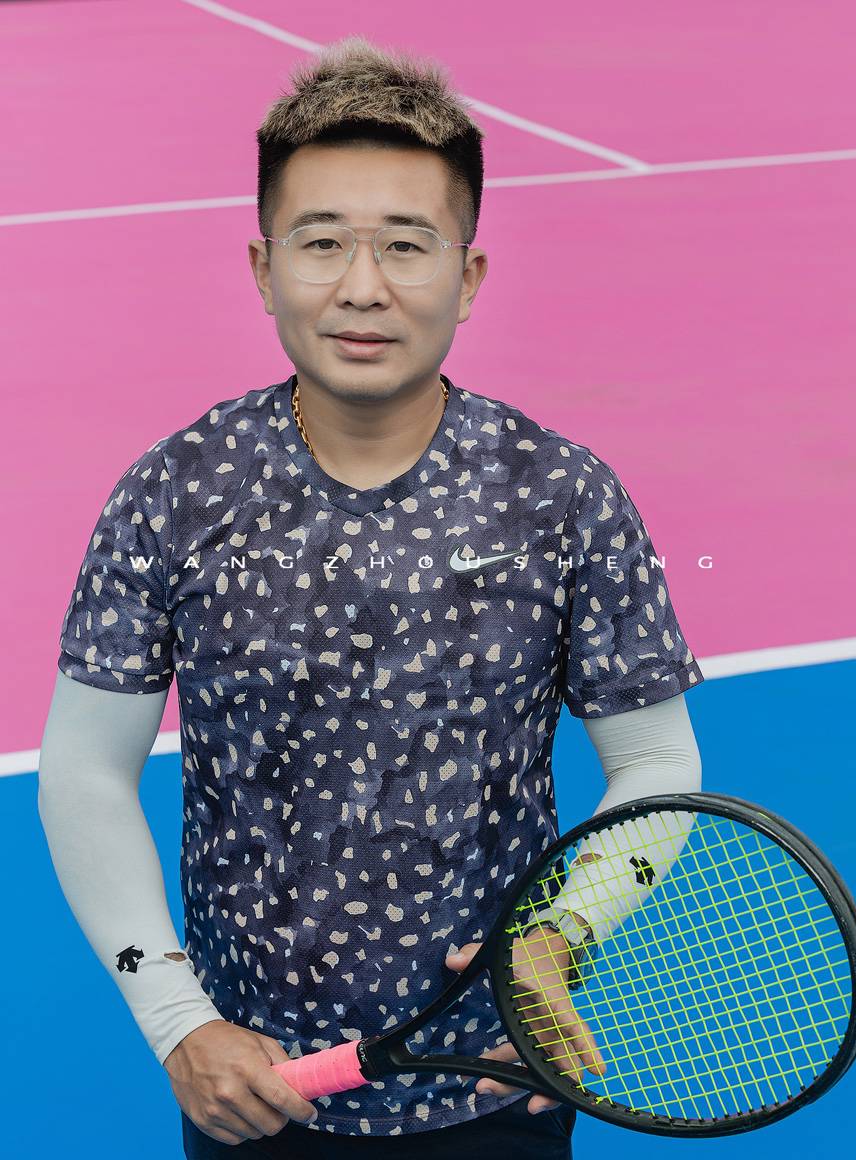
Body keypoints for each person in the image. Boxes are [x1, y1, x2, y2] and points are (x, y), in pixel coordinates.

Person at [37, 34, 705, 1160]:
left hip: (494, 1083)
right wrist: (178, 1020)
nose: (362, 286)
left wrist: (558, 936)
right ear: (263, 269)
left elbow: (657, 761)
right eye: (321, 243)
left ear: (468, 276)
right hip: (251, 1089)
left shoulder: (561, 495)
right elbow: (84, 771)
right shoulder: (175, 491)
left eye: (406, 244)